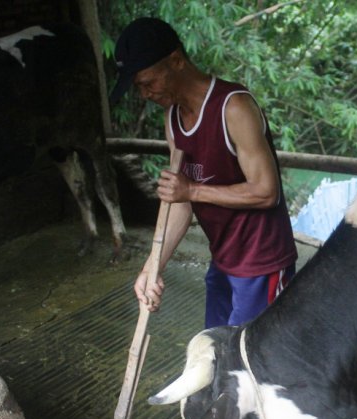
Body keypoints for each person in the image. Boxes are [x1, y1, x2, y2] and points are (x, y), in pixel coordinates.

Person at [110, 17, 298, 328]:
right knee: (213, 345)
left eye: (148, 82)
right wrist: (152, 267)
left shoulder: (233, 107)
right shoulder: (173, 119)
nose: (144, 94)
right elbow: (180, 202)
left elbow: (266, 191)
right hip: (223, 258)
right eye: (138, 87)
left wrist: (193, 190)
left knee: (249, 359)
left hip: (262, 262)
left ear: (176, 61)